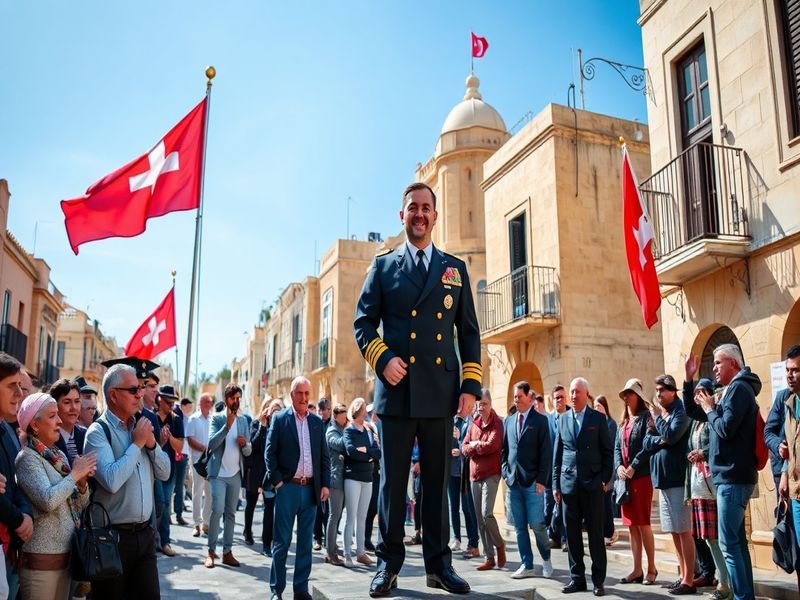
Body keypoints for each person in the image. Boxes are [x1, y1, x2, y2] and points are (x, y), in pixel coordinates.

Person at [353, 181, 481, 598]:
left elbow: (469, 332)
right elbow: (363, 323)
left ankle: (439, 566)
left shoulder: (453, 268)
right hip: (397, 393)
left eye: (426, 207)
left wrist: (470, 386)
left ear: (435, 215)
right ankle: (388, 566)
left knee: (438, 485)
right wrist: (382, 358)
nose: (420, 214)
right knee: (392, 486)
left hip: (441, 393)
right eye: (413, 208)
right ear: (402, 215)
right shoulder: (384, 266)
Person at [83, 363, 170, 600]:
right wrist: (137, 444)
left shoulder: (140, 425)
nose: (140, 394)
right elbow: (111, 480)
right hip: (112, 540)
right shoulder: (98, 432)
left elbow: (165, 473)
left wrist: (152, 445)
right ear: (113, 395)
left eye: (140, 388)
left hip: (145, 536)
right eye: (133, 390)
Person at [684, 345, 760, 600]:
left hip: (733, 477)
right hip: (728, 477)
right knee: (736, 543)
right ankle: (745, 595)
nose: (714, 368)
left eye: (718, 362)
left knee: (729, 543)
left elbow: (726, 428)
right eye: (714, 363)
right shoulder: (730, 390)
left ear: (734, 364)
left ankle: (741, 596)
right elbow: (693, 411)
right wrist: (688, 380)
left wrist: (710, 409)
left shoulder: (739, 389)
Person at [15, 393, 95, 599]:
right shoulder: (27, 458)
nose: (60, 421)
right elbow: (47, 500)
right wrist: (75, 474)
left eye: (58, 415)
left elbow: (79, 504)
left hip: (66, 559)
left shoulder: (58, 456)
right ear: (35, 425)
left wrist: (82, 484)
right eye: (52, 416)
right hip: (41, 564)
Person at [265, 376, 330, 600]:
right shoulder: (280, 419)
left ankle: (300, 590)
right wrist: (278, 482)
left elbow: (324, 457)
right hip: (288, 489)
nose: (304, 398)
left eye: (307, 393)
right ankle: (277, 590)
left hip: (311, 490)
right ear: (291, 395)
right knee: (282, 542)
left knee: (305, 544)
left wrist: (325, 485)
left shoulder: (316, 422)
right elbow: (269, 453)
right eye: (300, 393)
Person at [553, 377, 613, 597]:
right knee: (572, 535)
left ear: (586, 394)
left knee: (595, 534)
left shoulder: (597, 418)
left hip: (592, 485)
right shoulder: (562, 419)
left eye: (577, 392)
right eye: (571, 391)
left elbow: (608, 451)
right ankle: (577, 578)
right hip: (569, 485)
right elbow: (557, 455)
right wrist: (555, 484)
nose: (573, 395)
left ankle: (598, 580)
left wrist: (604, 479)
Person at [644, 374, 694, 595]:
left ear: (673, 391)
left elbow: (672, 436)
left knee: (683, 530)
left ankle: (689, 580)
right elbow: (647, 442)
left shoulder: (680, 411)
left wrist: (659, 421)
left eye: (662, 390)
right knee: (673, 531)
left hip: (677, 479)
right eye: (656, 391)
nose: (658, 394)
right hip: (662, 480)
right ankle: (682, 575)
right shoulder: (661, 415)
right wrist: (660, 438)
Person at [686, 378, 732, 600]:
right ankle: (723, 579)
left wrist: (702, 452)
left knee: (718, 537)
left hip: (712, 485)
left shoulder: (713, 415)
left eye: (701, 392)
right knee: (707, 538)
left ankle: (725, 582)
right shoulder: (696, 421)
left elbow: (717, 441)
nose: (697, 397)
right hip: (698, 485)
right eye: (695, 393)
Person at [502, 381, 553, 579]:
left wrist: (541, 480)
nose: (516, 400)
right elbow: (504, 451)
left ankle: (546, 558)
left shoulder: (540, 421)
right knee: (519, 527)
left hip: (533, 484)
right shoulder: (509, 421)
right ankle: (527, 564)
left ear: (529, 398)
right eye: (514, 397)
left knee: (537, 525)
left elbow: (546, 453)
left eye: (519, 396)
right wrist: (506, 473)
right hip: (513, 483)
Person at [204, 383, 251, 568]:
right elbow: (211, 444)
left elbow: (248, 451)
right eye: (233, 398)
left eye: (238, 398)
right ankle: (210, 551)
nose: (236, 402)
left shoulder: (244, 421)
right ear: (226, 400)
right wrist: (226, 427)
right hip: (218, 474)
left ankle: (227, 552)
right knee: (217, 509)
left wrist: (245, 444)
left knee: (231, 513)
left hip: (235, 474)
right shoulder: (217, 418)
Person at [615, 379, 657, 586]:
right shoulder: (623, 422)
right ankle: (637, 569)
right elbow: (617, 449)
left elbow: (647, 447)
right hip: (625, 481)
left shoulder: (647, 418)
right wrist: (619, 467)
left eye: (630, 394)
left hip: (641, 478)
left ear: (638, 397)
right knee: (632, 526)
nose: (627, 398)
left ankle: (652, 569)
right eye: (625, 395)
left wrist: (633, 466)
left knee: (643, 524)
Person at [0, 353, 33, 599]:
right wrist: (19, 520)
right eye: (12, 386)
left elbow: (16, 481)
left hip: (10, 545)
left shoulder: (6, 429)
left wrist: (25, 516)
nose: (20, 394)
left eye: (21, 387)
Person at [461, 389, 505, 572]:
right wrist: (475, 446)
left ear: (490, 404)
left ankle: (499, 544)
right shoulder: (474, 424)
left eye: (484, 404)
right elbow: (464, 447)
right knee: (479, 518)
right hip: (474, 475)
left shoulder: (497, 423)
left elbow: (492, 446)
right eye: (479, 405)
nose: (480, 408)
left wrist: (476, 445)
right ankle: (489, 557)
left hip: (491, 474)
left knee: (487, 514)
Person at [341, 397, 381, 568]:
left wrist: (366, 452)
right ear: (357, 411)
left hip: (367, 478)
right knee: (351, 517)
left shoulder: (368, 430)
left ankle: (360, 552)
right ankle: (347, 554)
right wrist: (368, 455)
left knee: (362, 517)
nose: (366, 413)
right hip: (353, 478)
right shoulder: (349, 431)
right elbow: (351, 452)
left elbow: (378, 452)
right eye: (364, 410)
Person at [777, 344, 800, 594]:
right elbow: (788, 443)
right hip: (795, 492)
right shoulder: (790, 402)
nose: (790, 375)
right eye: (788, 370)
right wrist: (784, 473)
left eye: (795, 370)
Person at [154, 384, 184, 557]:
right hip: (153, 469)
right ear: (160, 400)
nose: (172, 405)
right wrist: (160, 439)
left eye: (173, 402)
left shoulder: (176, 420)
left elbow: (180, 447)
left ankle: (164, 541)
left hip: (170, 469)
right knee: (161, 503)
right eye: (168, 402)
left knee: (165, 504)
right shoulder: (151, 417)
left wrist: (169, 437)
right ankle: (158, 540)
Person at [448, 411, 479, 557]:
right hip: (451, 472)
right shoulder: (450, 422)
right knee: (453, 507)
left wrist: (460, 449)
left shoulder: (470, 422)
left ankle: (473, 541)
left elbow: (471, 445)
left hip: (465, 472)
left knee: (467, 509)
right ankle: (456, 538)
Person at [243, 398, 273, 551]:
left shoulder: (277, 425)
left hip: (269, 471)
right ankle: (247, 531)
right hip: (255, 470)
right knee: (251, 503)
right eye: (268, 408)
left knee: (269, 506)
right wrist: (262, 426)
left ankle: (267, 537)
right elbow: (253, 446)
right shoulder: (255, 424)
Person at [593, 395, 618, 547]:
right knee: (600, 503)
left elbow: (611, 447)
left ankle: (609, 532)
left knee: (607, 502)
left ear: (605, 407)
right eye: (595, 406)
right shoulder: (595, 423)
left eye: (599, 406)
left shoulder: (611, 424)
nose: (596, 409)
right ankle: (604, 532)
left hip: (608, 469)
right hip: (598, 469)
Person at [546, 385, 569, 550]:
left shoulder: (571, 417)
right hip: (550, 472)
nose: (559, 400)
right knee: (550, 506)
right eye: (556, 398)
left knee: (566, 506)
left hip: (567, 471)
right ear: (552, 401)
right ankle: (553, 536)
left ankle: (565, 538)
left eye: (561, 397)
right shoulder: (547, 420)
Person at [325, 402, 348, 565]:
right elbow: (341, 444)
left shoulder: (342, 429)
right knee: (334, 516)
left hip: (343, 478)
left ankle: (332, 546)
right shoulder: (331, 431)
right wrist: (350, 432)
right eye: (344, 415)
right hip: (335, 479)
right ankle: (330, 553)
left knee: (338, 515)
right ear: (336, 416)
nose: (346, 417)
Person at [188, 393, 213, 537]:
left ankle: (206, 523)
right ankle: (196, 524)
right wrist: (205, 449)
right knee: (197, 492)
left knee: (209, 493)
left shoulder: (212, 420)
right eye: (206, 401)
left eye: (210, 401)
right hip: (197, 461)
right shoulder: (193, 419)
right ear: (201, 403)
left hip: (210, 461)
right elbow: (190, 440)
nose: (209, 404)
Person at [49, 378, 86, 466]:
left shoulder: (85, 435)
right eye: (67, 402)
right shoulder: (48, 437)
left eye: (77, 401)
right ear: (55, 405)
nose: (74, 407)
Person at [314, 398, 332, 551]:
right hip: (317, 470)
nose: (321, 413)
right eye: (319, 410)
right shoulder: (316, 423)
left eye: (323, 410)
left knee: (329, 510)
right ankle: (317, 538)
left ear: (329, 410)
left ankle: (328, 538)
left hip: (329, 470)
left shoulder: (333, 425)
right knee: (318, 508)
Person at [363, 403, 381, 553]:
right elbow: (371, 450)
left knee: (375, 506)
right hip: (371, 471)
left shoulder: (379, 427)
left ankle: (367, 538)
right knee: (370, 506)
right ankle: (365, 539)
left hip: (379, 470)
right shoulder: (368, 427)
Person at [173, 397, 193, 526]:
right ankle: (172, 514)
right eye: (189, 407)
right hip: (176, 453)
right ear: (183, 406)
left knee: (179, 486)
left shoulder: (187, 419)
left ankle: (178, 514)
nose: (190, 409)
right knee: (173, 485)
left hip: (183, 454)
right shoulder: (178, 418)